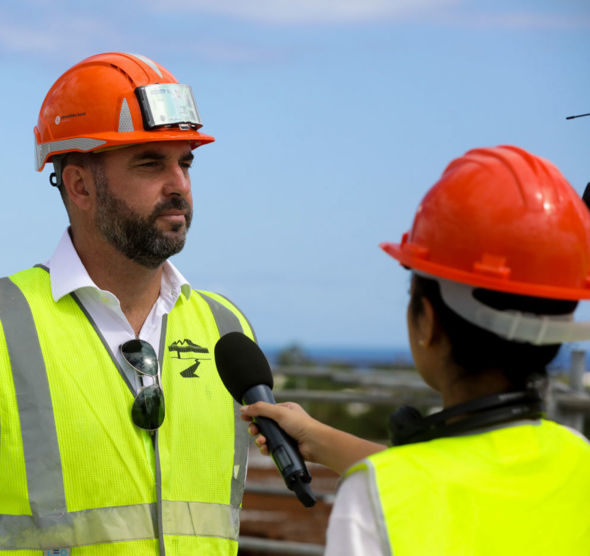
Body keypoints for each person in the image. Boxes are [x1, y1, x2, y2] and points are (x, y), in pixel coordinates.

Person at [0, 52, 256, 555]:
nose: (179, 185)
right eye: (150, 163)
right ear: (80, 185)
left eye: (184, 162)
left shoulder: (226, 330)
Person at [242, 145, 590, 555]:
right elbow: (473, 478)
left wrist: (375, 477)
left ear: (427, 321)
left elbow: (430, 486)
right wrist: (320, 439)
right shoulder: (579, 455)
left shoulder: (374, 500)